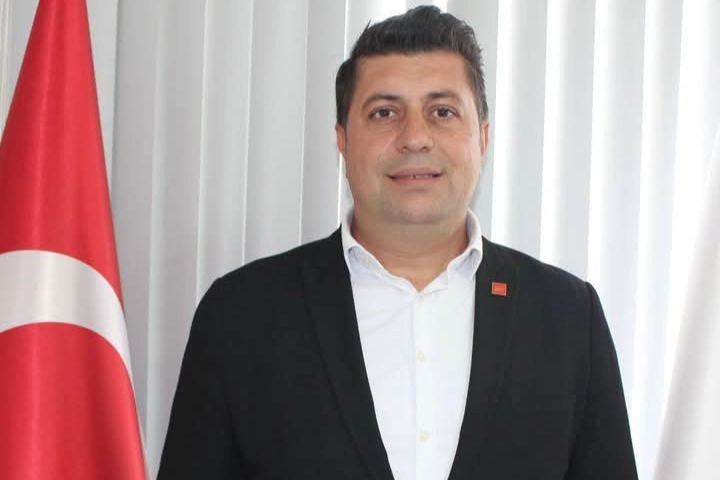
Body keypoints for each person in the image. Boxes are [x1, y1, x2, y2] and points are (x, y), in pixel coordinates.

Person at [157, 6, 638, 480]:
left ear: (482, 138)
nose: (414, 138)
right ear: (343, 141)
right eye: (384, 112)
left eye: (442, 112)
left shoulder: (569, 318)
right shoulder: (241, 314)